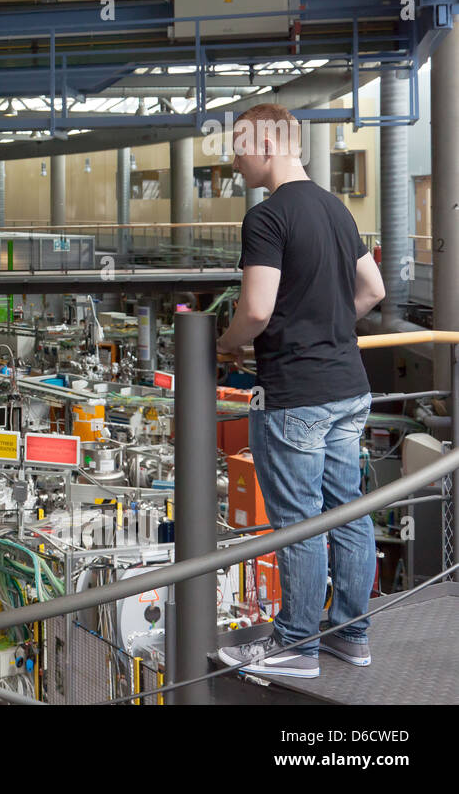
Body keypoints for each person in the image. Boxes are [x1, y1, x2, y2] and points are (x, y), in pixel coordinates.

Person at [215, 104, 385, 680]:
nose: (233, 159)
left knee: (299, 522)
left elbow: (257, 310)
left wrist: (225, 344)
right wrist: (326, 325)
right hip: (349, 389)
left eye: (238, 147)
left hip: (298, 394)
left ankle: (296, 645)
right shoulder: (336, 209)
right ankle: (351, 635)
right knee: (348, 512)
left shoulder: (266, 217)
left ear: (266, 145)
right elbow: (373, 289)